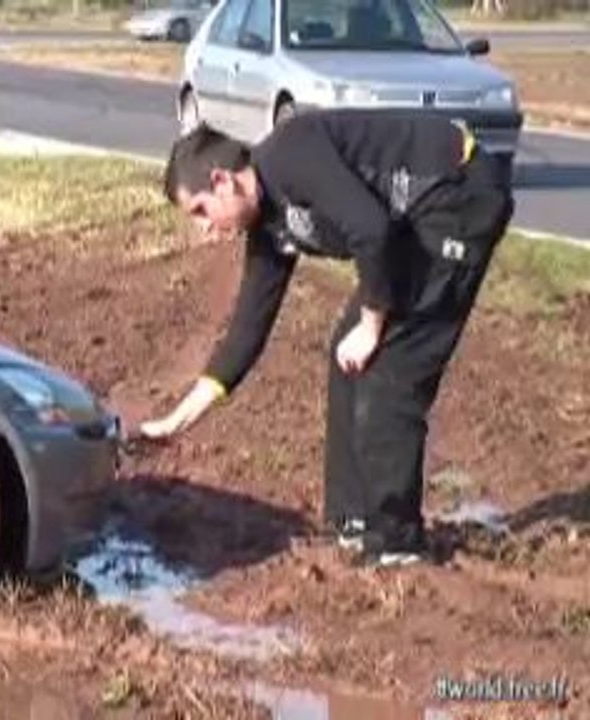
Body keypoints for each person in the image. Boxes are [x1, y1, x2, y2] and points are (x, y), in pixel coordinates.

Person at [137, 108, 514, 567]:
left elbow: (369, 228)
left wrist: (373, 325)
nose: (203, 227)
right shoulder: (269, 228)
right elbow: (247, 331)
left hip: (458, 194)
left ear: (222, 181)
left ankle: (397, 544)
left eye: (200, 210)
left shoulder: (292, 152)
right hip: (411, 225)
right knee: (346, 356)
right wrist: (175, 420)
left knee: (388, 375)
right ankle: (353, 522)